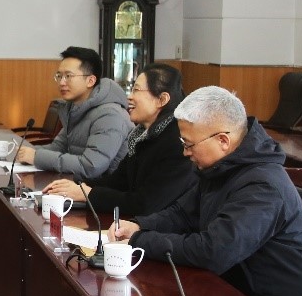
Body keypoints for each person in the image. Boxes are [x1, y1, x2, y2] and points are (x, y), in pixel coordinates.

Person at [111, 86, 302, 296]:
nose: (185, 152)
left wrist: (140, 241)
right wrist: (137, 226)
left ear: (223, 141)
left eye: (188, 144)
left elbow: (213, 251)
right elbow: (182, 214)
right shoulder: (220, 166)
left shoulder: (263, 187)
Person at [43, 63, 195, 217]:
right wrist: (77, 187)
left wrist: (88, 194)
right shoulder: (141, 135)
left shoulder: (178, 142)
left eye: (136, 90)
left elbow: (145, 204)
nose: (130, 96)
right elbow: (119, 181)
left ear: (161, 99)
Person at [17, 46, 132, 179]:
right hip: (77, 184)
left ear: (90, 81)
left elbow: (91, 166)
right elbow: (58, 147)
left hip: (101, 189)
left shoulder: (110, 115)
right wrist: (28, 152)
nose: (62, 82)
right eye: (59, 76)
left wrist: (36, 157)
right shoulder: (75, 108)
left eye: (68, 76)